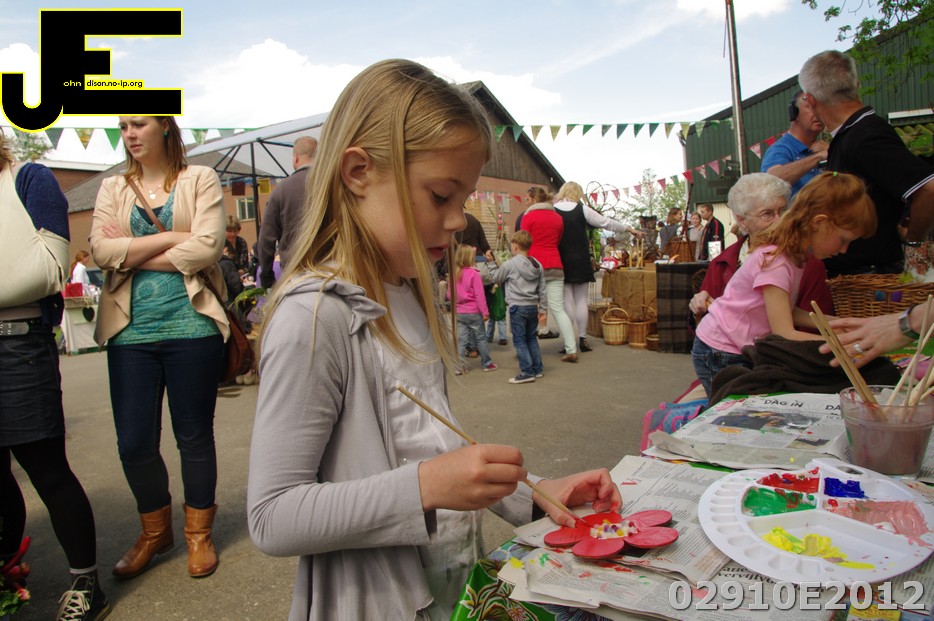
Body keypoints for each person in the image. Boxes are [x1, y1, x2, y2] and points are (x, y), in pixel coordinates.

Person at [246, 59, 621, 621]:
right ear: (358, 172)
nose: (459, 220)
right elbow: (273, 516)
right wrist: (423, 487)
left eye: (463, 199)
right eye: (441, 196)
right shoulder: (316, 316)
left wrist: (536, 494)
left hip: (452, 588)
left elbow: (431, 448)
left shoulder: (409, 290)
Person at [90, 115, 228, 580]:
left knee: (194, 436)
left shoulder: (200, 178)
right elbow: (100, 252)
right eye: (123, 126)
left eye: (139, 124)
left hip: (192, 326)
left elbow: (208, 248)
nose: (129, 134)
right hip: (130, 333)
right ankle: (154, 532)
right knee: (133, 443)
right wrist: (171, 237)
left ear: (165, 127)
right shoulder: (112, 188)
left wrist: (132, 251)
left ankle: (198, 534)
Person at [0, 140, 110, 620]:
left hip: (17, 347)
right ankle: (8, 571)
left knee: (47, 470)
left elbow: (49, 271)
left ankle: (86, 584)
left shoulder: (29, 181)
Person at [692, 172, 876, 397]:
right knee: (735, 409)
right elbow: (784, 333)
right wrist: (841, 343)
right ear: (819, 223)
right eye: (844, 240)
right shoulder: (777, 261)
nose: (844, 249)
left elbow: (786, 311)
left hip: (736, 344)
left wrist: (836, 324)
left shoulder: (795, 255)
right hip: (720, 349)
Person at [799, 50, 934, 277]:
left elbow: (928, 189)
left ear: (810, 100)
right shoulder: (852, 134)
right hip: (859, 277)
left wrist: (913, 241)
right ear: (856, 85)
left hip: (871, 279)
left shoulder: (865, 136)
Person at [688, 173, 834, 321]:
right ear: (742, 220)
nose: (780, 221)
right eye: (767, 214)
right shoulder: (721, 264)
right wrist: (699, 308)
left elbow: (817, 328)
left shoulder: (808, 264)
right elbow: (705, 323)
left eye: (784, 211)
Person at [553, 181, 641, 353]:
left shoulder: (553, 210)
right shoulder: (582, 209)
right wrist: (628, 228)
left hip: (561, 258)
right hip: (581, 258)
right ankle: (583, 339)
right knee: (581, 301)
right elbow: (606, 223)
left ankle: (569, 342)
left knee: (566, 302)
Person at [521, 200, 578, 361]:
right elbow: (557, 240)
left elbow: (523, 241)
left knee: (528, 307)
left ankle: (526, 351)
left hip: (533, 265)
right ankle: (571, 349)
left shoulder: (528, 217)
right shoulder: (557, 218)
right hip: (555, 264)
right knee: (558, 309)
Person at [257, 136, 318, 288]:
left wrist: (267, 278)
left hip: (296, 276)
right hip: (334, 272)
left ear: (296, 158)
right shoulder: (334, 185)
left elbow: (265, 240)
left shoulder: (281, 190)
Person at [489, 229, 546, 384]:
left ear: (515, 246)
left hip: (517, 307)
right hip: (533, 306)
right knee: (531, 338)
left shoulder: (510, 264)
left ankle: (527, 372)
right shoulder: (537, 265)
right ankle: (537, 369)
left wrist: (492, 264)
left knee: (519, 340)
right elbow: (542, 289)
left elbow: (496, 278)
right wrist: (543, 309)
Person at [761, 90, 828, 197]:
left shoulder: (825, 149)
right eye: (810, 107)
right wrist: (818, 157)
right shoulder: (781, 149)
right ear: (794, 113)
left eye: (821, 108)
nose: (818, 113)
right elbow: (772, 180)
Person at [449, 244, 498, 374]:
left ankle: (459, 366)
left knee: (461, 339)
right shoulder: (474, 274)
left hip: (460, 312)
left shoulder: (453, 275)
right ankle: (487, 363)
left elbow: (449, 295)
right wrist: (485, 312)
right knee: (480, 338)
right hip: (474, 312)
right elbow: (479, 295)